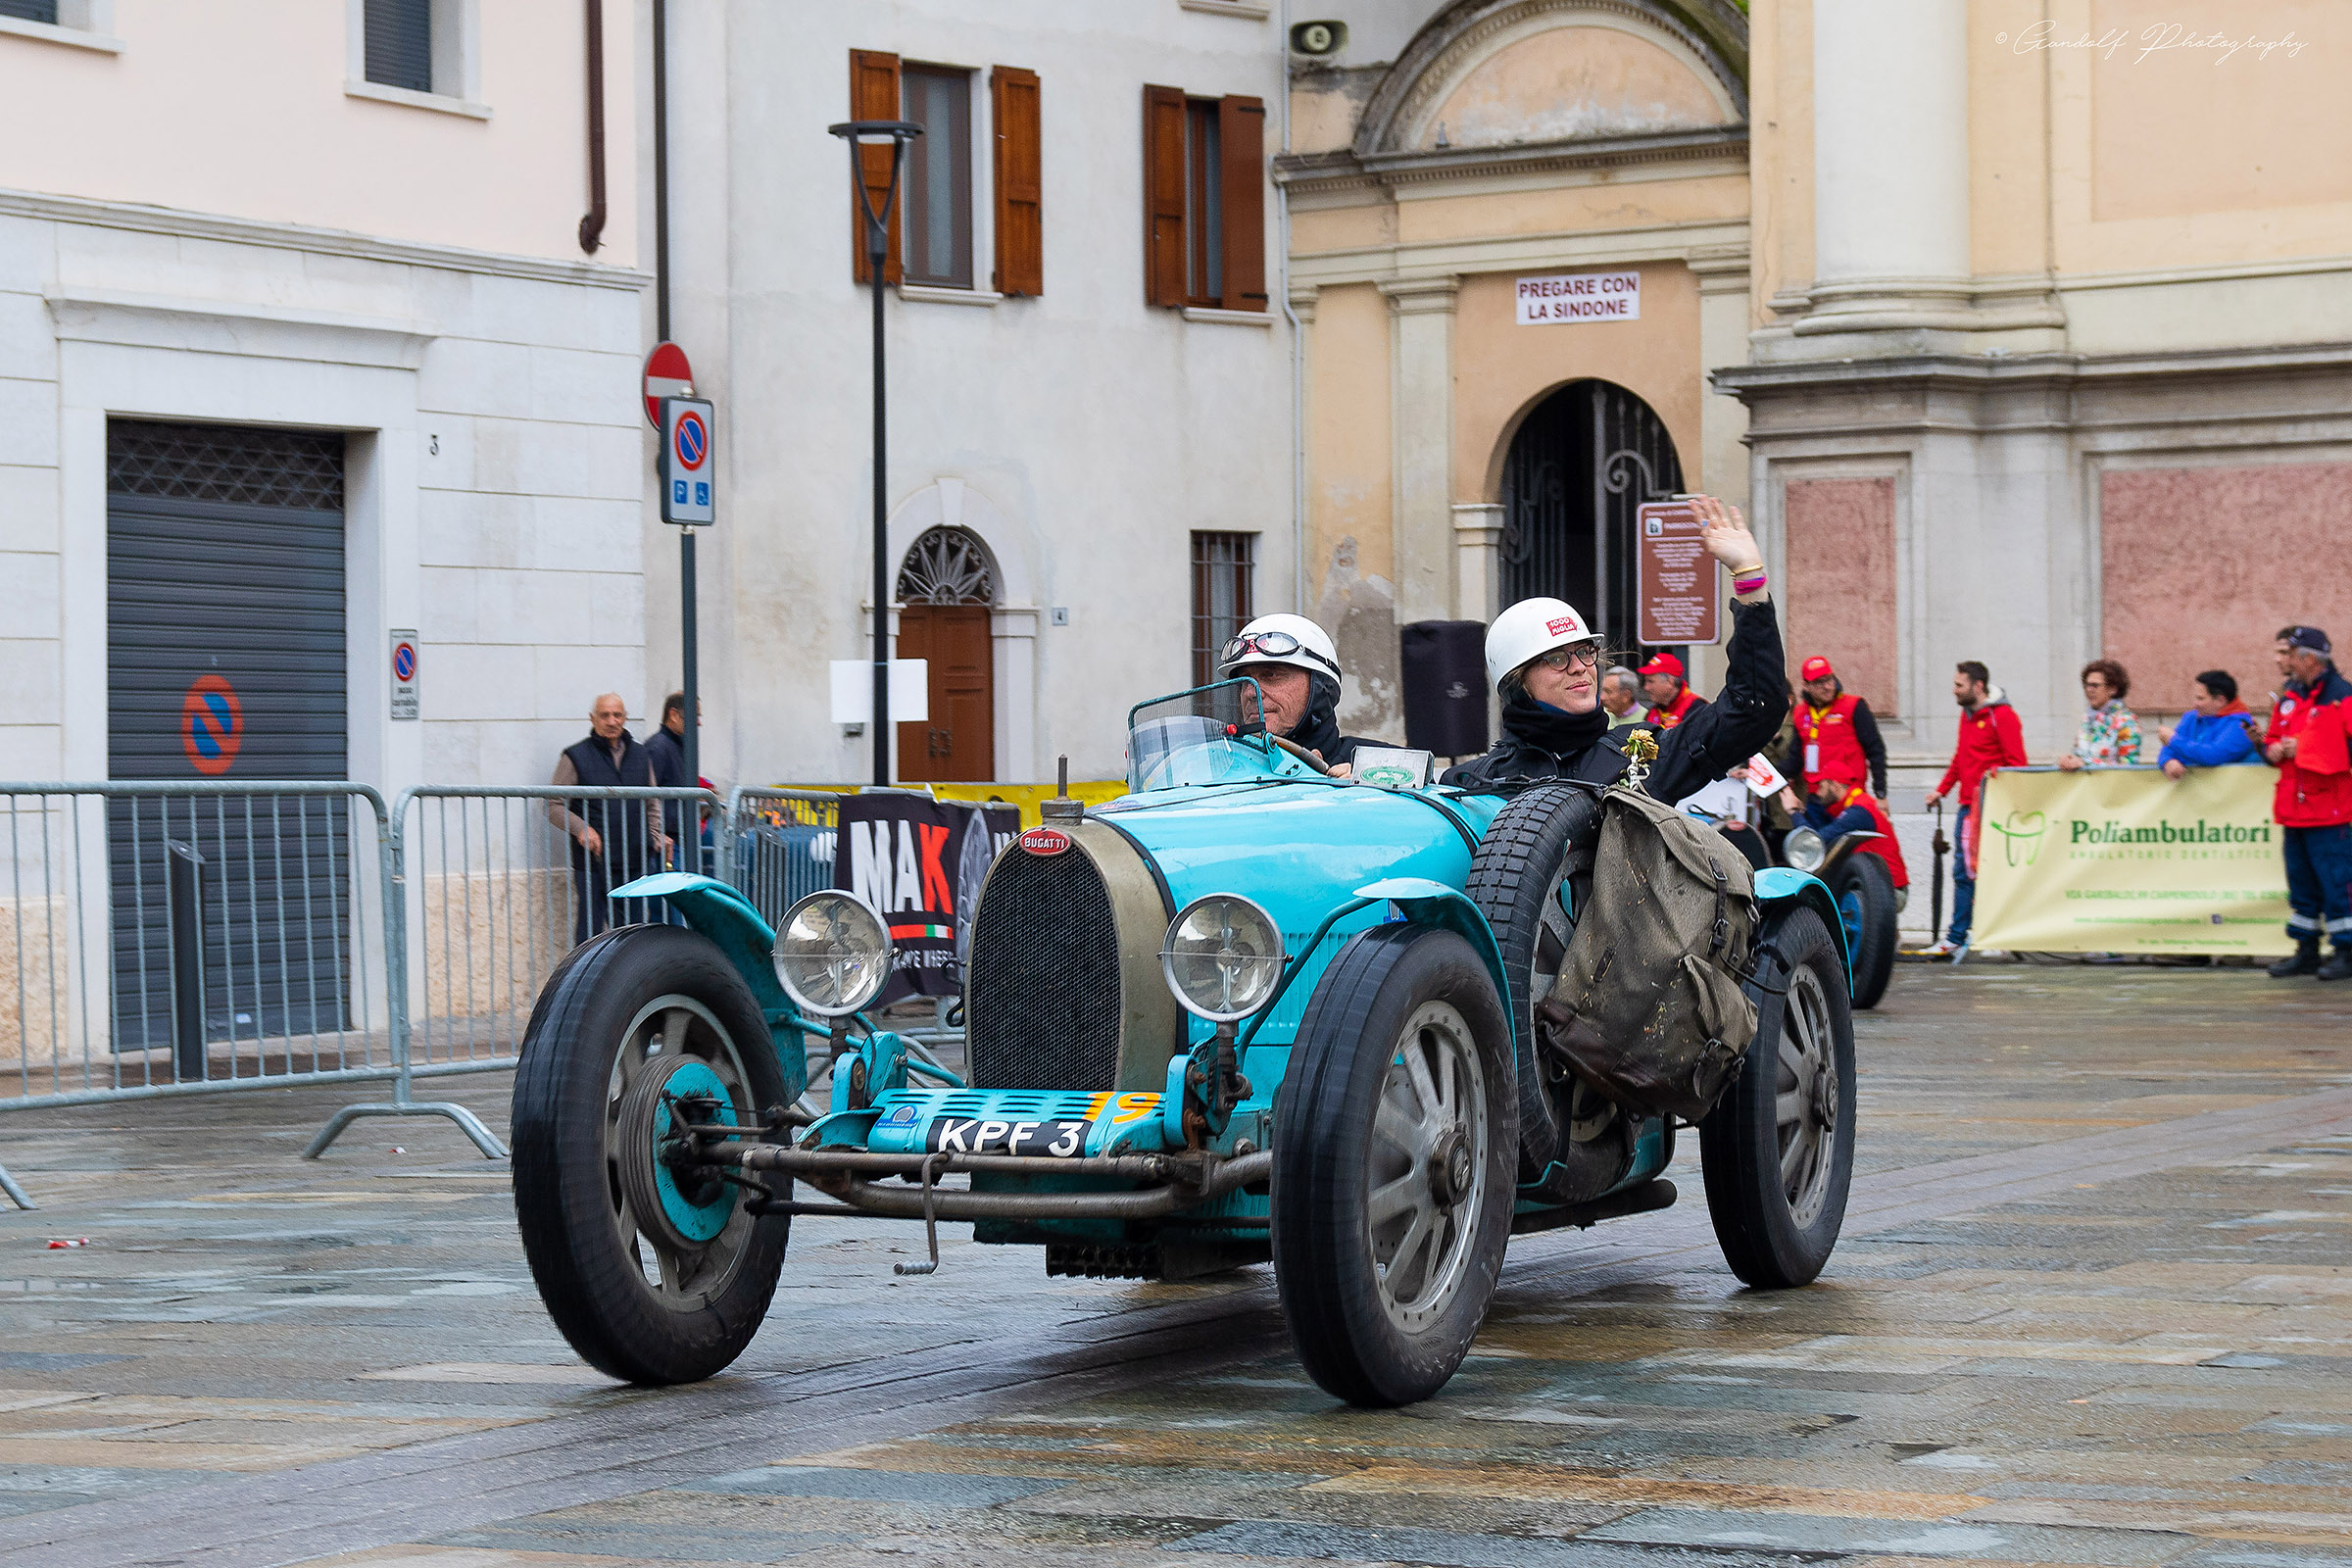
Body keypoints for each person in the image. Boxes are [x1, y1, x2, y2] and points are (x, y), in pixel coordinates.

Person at [1444, 495, 1785, 802]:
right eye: (1557, 658)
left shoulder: (1638, 756)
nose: (1580, 667)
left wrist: (1748, 579)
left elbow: (1752, 711)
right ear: (1516, 683)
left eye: (1584, 652)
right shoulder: (1474, 784)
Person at [2261, 626, 2352, 981]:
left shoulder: (2342, 695)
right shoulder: (2289, 695)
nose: (2281, 660)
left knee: (2338, 884)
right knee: (2301, 886)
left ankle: (2346, 952)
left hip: (2329, 810)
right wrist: (2270, 747)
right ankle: (2307, 950)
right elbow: (2274, 737)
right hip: (2294, 808)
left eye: (2288, 654)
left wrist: (2305, 748)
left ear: (2310, 659)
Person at [548, 693, 670, 945]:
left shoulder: (641, 754)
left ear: (625, 718)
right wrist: (581, 829)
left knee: (634, 933)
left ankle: (631, 972)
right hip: (593, 862)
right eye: (605, 715)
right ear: (592, 719)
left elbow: (652, 801)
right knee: (591, 933)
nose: (612, 721)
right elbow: (553, 805)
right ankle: (585, 971)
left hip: (635, 859)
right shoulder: (575, 756)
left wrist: (655, 835)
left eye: (617, 715)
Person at [1924, 661, 2028, 955]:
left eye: (1959, 685)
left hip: (1992, 810)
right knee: (1963, 872)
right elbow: (1961, 758)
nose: (1954, 690)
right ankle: (1957, 937)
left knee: (1991, 872)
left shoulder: (2002, 716)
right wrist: (1941, 791)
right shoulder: (1967, 715)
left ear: (1977, 686)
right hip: (1968, 808)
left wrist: (1997, 787)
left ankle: (1996, 936)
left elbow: (2017, 764)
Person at [1218, 612, 1374, 774]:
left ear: (1320, 688)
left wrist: (1363, 784)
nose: (1250, 693)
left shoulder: (1377, 767)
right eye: (1244, 681)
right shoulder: (1221, 770)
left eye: (1271, 675)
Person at [1791, 656, 1888, 800]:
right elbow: (1795, 758)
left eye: (1829, 679)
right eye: (1819, 682)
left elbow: (1875, 750)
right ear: (1806, 686)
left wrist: (1880, 792)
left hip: (1848, 793)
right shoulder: (1800, 713)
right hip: (1816, 795)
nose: (1827, 687)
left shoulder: (1854, 706)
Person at [1794, 773, 1910, 893]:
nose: (1818, 793)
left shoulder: (1859, 811)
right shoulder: (1856, 803)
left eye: (1821, 786)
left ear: (1835, 785)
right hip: (1880, 886)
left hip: (1888, 891)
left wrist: (1794, 812)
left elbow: (1815, 841)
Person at [643, 692, 710, 872]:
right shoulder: (659, 747)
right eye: (694, 716)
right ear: (673, 715)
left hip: (676, 838)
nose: (698, 723)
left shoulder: (674, 745)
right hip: (668, 842)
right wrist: (658, 834)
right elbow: (647, 795)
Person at [2156, 670, 2260, 779]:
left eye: (2200, 698)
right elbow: (2167, 750)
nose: (2194, 704)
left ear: (2220, 700)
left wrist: (2173, 740)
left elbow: (2214, 756)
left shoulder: (2241, 725)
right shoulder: (2191, 717)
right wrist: (2168, 761)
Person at [2057, 659, 2141, 771]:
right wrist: (2068, 761)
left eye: (2095, 685)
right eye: (2087, 685)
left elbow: (2129, 767)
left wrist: (2085, 763)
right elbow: (2079, 755)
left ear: (2113, 689)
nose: (2089, 690)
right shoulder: (2087, 718)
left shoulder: (2127, 721)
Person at [1637, 652, 1706, 729]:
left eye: (1651, 681)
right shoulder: (1653, 712)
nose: (1646, 687)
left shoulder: (1697, 708)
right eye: (1646, 681)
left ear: (1670, 682)